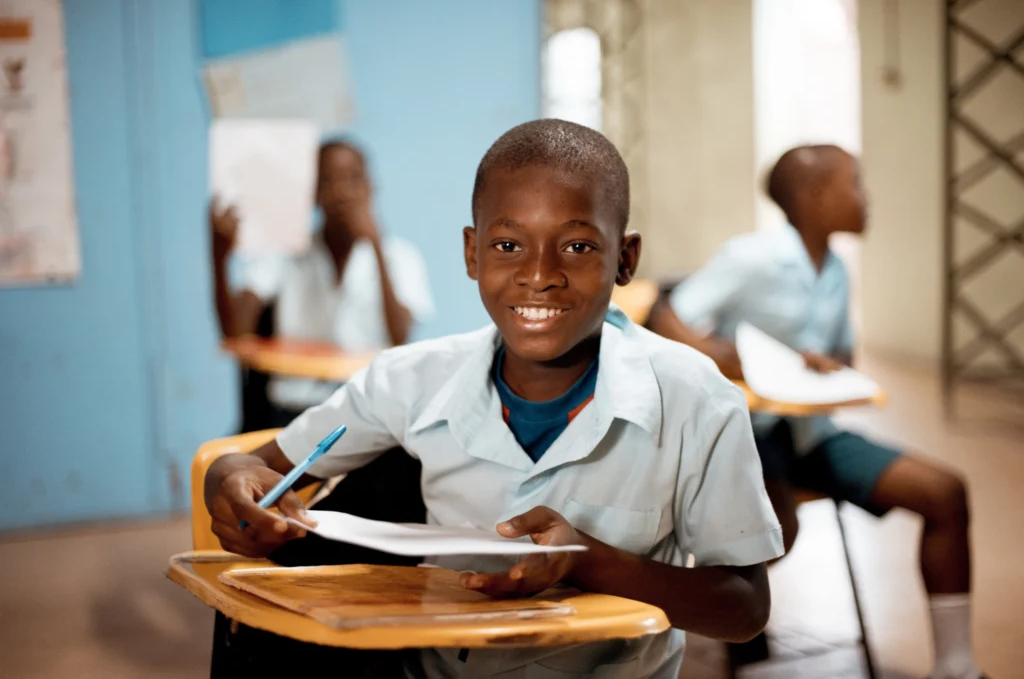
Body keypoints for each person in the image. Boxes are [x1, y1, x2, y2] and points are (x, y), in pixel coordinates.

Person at [203, 119, 784, 678]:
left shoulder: (697, 400)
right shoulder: (411, 378)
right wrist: (230, 481)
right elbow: (256, 466)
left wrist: (594, 561)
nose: (540, 274)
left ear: (625, 259)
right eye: (508, 244)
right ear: (472, 253)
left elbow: (744, 609)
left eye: (578, 247)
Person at [649, 145, 984, 679]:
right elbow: (667, 316)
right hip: (749, 437)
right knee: (775, 529)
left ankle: (957, 667)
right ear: (813, 197)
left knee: (945, 493)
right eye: (854, 183)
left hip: (812, 433)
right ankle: (738, 627)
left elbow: (842, 355)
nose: (865, 197)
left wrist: (824, 365)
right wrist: (726, 357)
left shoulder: (836, 271)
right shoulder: (750, 257)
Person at [209, 139, 435, 423]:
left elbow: (400, 335)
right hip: (292, 410)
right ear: (313, 193)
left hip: (368, 411)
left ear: (370, 188)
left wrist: (376, 245)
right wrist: (219, 256)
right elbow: (236, 334)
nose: (341, 192)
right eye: (328, 180)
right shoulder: (284, 253)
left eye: (352, 179)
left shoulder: (400, 257)